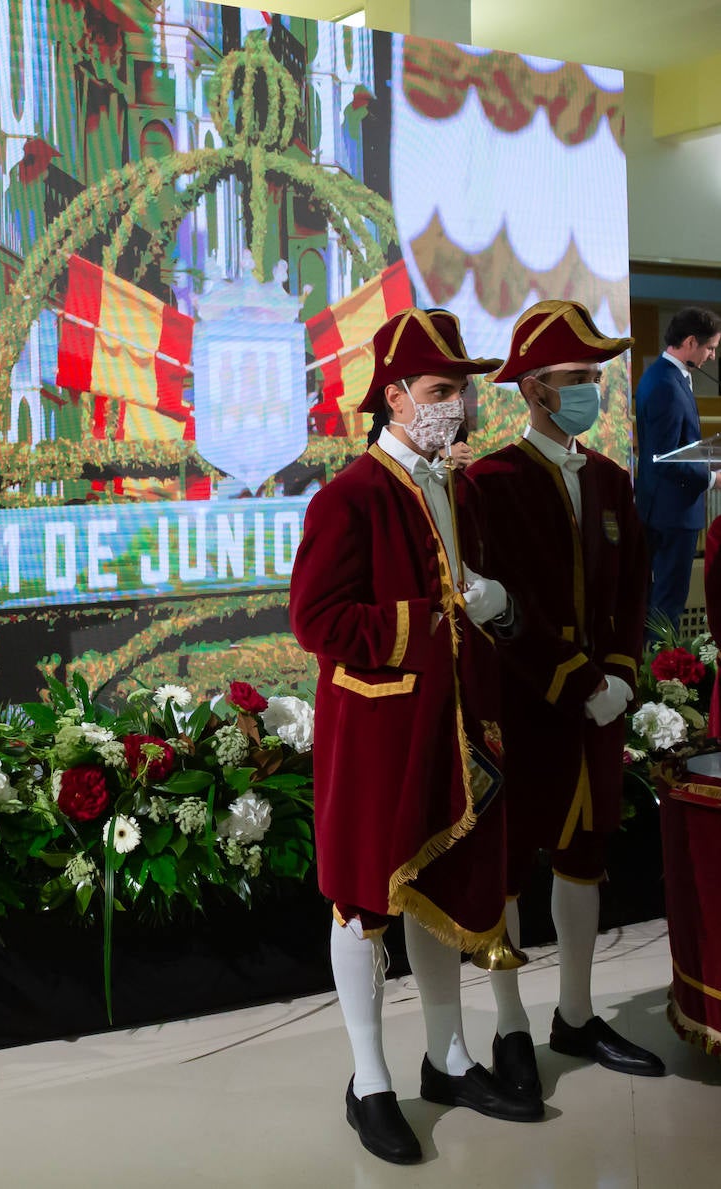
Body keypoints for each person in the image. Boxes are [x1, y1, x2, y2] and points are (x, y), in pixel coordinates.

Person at [290, 309, 539, 1167]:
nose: (457, 406)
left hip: (459, 724)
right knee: (363, 903)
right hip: (378, 731)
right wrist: (430, 623)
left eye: (462, 390)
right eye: (440, 390)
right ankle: (369, 1080)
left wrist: (492, 604)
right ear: (392, 396)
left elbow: (474, 596)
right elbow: (316, 619)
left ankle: (449, 1055)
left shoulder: (454, 485)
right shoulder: (348, 496)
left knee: (445, 883)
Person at [467, 299, 664, 1101]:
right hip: (526, 711)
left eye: (596, 376)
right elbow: (501, 608)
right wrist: (576, 681)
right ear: (536, 389)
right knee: (510, 870)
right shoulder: (490, 483)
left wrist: (619, 674)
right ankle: (511, 1022)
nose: (593, 390)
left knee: (586, 862)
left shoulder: (613, 481)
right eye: (577, 378)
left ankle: (576, 1013)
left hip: (600, 714)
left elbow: (633, 588)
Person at [633, 306, 721, 633]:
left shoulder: (667, 376)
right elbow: (665, 457)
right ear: (689, 342)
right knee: (666, 606)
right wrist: (712, 478)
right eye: (710, 348)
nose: (712, 356)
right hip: (671, 514)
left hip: (668, 509)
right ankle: (660, 680)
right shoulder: (667, 384)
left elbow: (678, 444)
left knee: (663, 603)